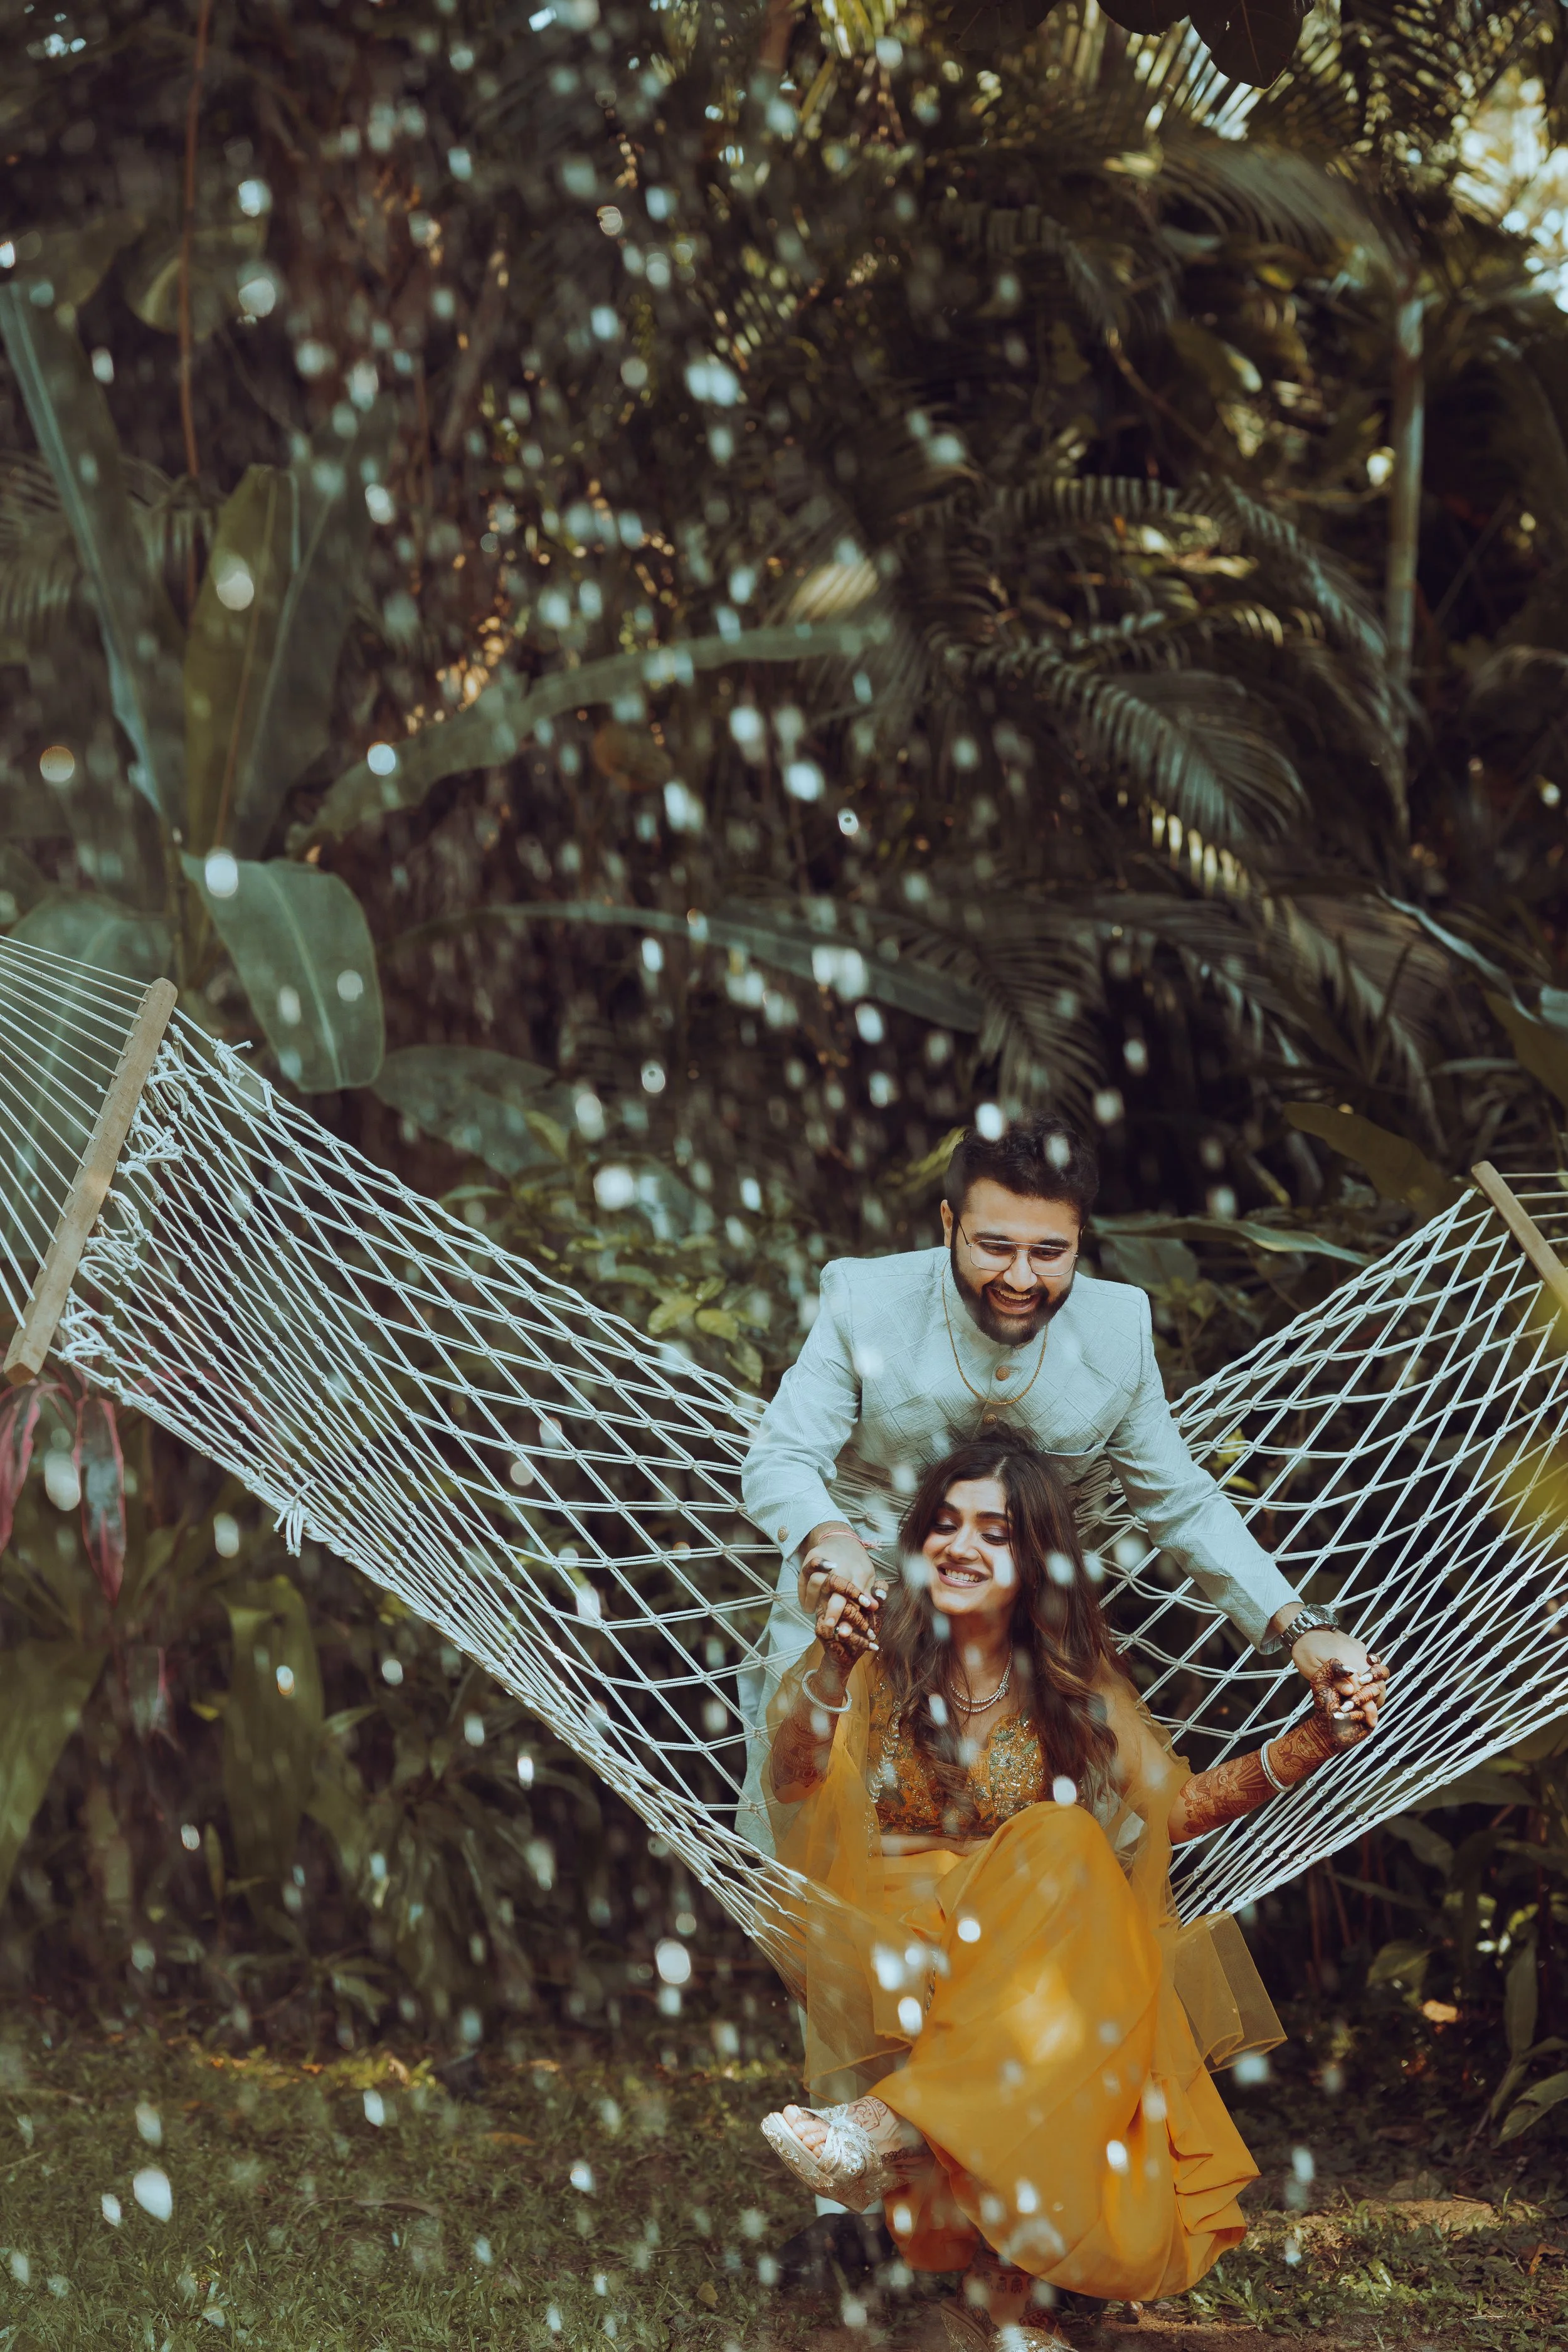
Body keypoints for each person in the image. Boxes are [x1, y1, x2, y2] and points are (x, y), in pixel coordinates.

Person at [757, 1439, 1388, 2346]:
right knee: (1072, 1863)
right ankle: (991, 2273)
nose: (962, 1548)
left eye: (995, 1533)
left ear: (1034, 1562)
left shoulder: (1072, 1681)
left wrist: (1313, 1743)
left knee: (1066, 1867)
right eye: (944, 1525)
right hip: (892, 1931)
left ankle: (922, 2184)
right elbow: (793, 1776)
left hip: (1021, 1941)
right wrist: (826, 1666)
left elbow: (1179, 1807)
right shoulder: (871, 1648)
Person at [739, 1115, 1374, 1836]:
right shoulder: (865, 1299)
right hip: (849, 1599)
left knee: (1064, 1838)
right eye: (994, 1246)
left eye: (1049, 1252)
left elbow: (1181, 1502)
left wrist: (1299, 1627)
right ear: (948, 1222)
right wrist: (832, 1539)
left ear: (1081, 1240)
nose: (1019, 1278)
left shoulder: (1118, 1330)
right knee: (800, 1816)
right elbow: (781, 1455)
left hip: (1015, 1622)